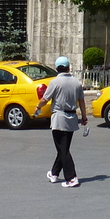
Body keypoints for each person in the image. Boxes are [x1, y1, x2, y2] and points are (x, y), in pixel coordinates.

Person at [33, 56, 88, 188]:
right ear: (69, 67)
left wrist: (37, 108)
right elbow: (81, 101)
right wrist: (84, 117)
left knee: (62, 149)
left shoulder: (55, 82)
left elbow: (45, 99)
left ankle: (71, 177)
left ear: (57, 69)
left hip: (59, 118)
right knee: (63, 148)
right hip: (72, 118)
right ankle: (54, 173)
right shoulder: (76, 82)